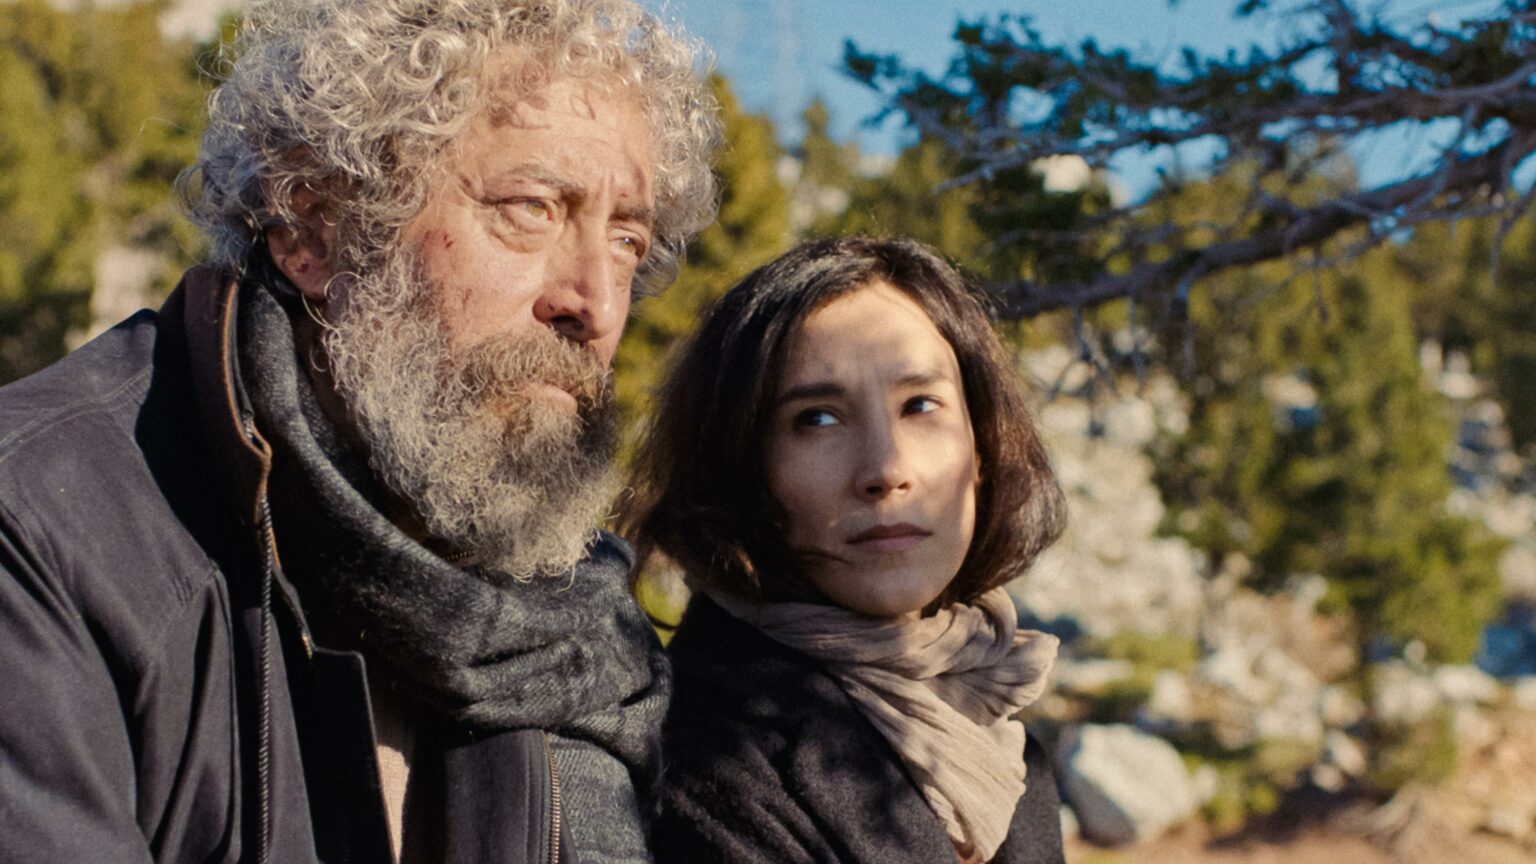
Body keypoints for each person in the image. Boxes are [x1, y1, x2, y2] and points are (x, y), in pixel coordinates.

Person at [0, 1, 719, 862]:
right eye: (530, 208)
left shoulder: (585, 632)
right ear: (311, 226)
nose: (596, 302)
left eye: (628, 240)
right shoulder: (44, 526)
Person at [625, 237, 1071, 864]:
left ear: (983, 451)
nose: (886, 469)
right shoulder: (703, 760)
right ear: (742, 467)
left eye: (920, 405)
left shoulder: (1000, 737)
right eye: (818, 419)